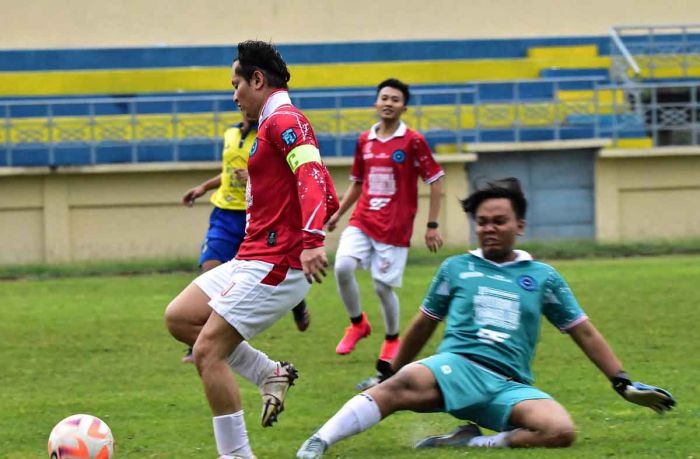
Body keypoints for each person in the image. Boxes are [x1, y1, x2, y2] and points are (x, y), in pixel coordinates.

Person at [296, 177, 675, 458]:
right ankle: (319, 441)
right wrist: (389, 370)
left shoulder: (543, 277)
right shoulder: (456, 268)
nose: (489, 228)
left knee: (560, 430)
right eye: (482, 221)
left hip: (510, 388)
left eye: (499, 221)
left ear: (519, 226)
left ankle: (470, 441)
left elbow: (584, 332)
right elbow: (424, 324)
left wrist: (622, 383)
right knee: (395, 388)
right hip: (455, 369)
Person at [165, 40, 339, 459]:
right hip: (251, 258)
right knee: (180, 318)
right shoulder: (269, 125)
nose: (234, 95)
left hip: (275, 265)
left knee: (207, 352)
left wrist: (311, 241)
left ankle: (236, 456)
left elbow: (314, 178)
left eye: (236, 84)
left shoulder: (286, 120)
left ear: (257, 80)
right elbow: (330, 194)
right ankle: (269, 373)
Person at [326, 78, 445, 383]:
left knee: (382, 286)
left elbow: (435, 181)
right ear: (376, 103)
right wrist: (338, 213)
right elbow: (357, 182)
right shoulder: (364, 139)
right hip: (363, 218)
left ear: (404, 107)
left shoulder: (413, 141)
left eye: (395, 99)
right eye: (384, 98)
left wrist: (432, 225)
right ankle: (357, 324)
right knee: (341, 267)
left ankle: (392, 338)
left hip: (395, 226)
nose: (389, 103)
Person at [179, 109, 311, 364]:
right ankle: (200, 341)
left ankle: (297, 302)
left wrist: (254, 177)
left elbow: (283, 175)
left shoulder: (269, 138)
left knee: (257, 272)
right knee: (209, 269)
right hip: (225, 213)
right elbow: (227, 171)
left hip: (256, 216)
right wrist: (203, 187)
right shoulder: (230, 133)